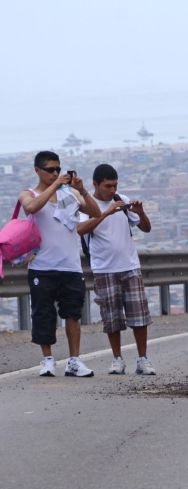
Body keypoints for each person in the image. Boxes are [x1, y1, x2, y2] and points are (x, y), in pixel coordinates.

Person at [18, 151, 101, 377]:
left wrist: (82, 190)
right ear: (38, 170)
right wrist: (54, 186)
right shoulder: (29, 193)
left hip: (70, 265)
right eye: (50, 170)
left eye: (58, 169)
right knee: (43, 314)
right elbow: (31, 208)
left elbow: (95, 212)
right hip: (41, 266)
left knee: (73, 314)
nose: (55, 173)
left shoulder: (70, 194)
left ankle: (74, 360)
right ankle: (47, 359)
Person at [77, 164, 156, 374]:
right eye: (108, 186)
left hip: (130, 265)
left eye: (115, 185)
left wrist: (141, 213)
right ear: (95, 184)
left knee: (139, 315)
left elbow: (146, 228)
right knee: (111, 317)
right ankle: (117, 358)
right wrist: (106, 213)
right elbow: (80, 229)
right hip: (104, 268)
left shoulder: (122, 200)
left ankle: (142, 359)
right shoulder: (87, 205)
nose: (112, 190)